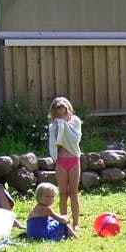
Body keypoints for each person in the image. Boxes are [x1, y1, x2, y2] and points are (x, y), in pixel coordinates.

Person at [48, 96, 83, 230]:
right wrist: (60, 126)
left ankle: (76, 223)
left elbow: (74, 139)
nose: (62, 116)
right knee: (63, 193)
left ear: (69, 110)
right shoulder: (54, 125)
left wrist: (65, 125)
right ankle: (64, 222)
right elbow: (55, 142)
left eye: (64, 112)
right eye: (58, 114)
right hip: (61, 161)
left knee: (73, 192)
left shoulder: (75, 122)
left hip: (73, 159)